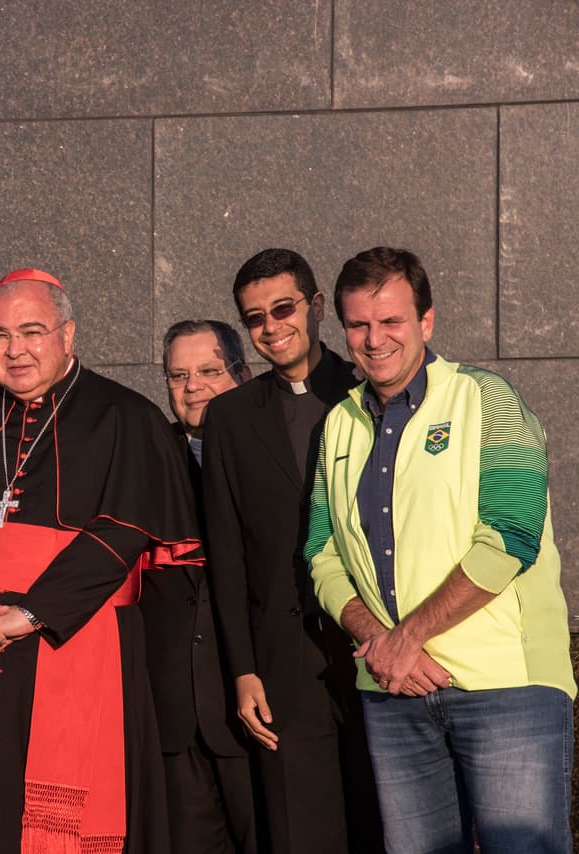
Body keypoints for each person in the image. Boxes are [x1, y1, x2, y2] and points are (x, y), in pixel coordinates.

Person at [0, 268, 203, 854]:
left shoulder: (125, 417)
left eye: (31, 331)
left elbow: (123, 533)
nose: (15, 350)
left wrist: (32, 612)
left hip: (75, 638)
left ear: (68, 334)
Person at [306, 246, 575, 853]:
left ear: (426, 322)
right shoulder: (339, 423)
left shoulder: (489, 400)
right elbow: (322, 551)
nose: (375, 339)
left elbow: (511, 536)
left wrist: (406, 640)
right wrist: (382, 644)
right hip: (394, 690)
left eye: (391, 321)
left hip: (505, 688)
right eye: (358, 324)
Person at [201, 248, 381, 853]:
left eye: (283, 309)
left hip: (378, 648)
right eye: (254, 318)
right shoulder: (228, 418)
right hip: (282, 662)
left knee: (389, 828)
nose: (271, 327)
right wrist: (243, 670)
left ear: (317, 306)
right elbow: (227, 550)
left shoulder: (371, 390)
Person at [139, 319, 257, 854]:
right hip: (171, 715)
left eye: (209, 372)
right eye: (178, 375)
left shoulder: (273, 456)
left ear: (242, 375)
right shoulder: (145, 458)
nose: (193, 387)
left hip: (255, 708)